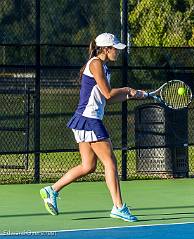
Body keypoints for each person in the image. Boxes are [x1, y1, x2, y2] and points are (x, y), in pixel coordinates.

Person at [40, 33, 145, 222]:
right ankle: (119, 207)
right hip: (89, 119)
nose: (117, 53)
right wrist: (127, 89)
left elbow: (110, 98)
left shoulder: (104, 68)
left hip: (85, 118)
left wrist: (135, 95)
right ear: (106, 49)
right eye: (115, 49)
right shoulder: (96, 64)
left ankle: (52, 189)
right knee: (110, 163)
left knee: (88, 166)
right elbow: (107, 93)